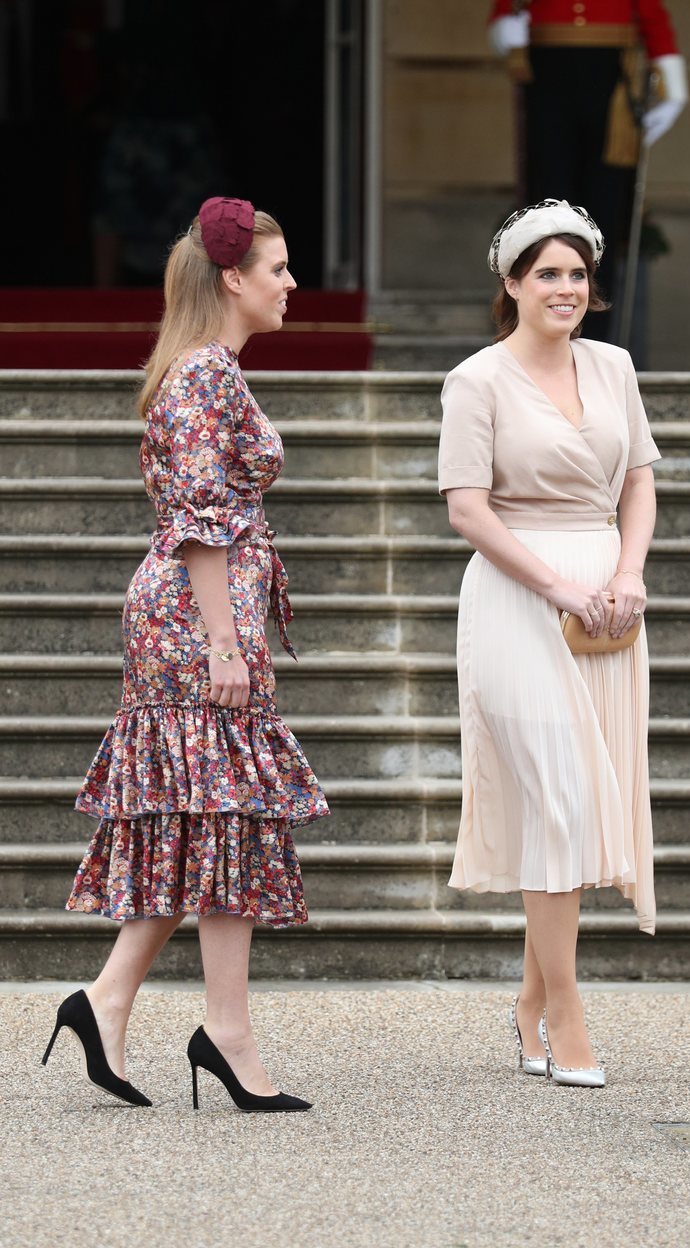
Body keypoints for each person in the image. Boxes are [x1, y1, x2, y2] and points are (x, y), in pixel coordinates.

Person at [45, 198, 330, 1113]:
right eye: (279, 269)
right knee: (227, 813)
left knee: (201, 814)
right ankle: (226, 1031)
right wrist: (223, 641)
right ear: (233, 278)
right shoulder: (204, 376)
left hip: (197, 612)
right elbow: (204, 522)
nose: (292, 285)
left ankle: (110, 999)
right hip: (194, 616)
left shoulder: (206, 372)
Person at [438, 199, 659, 1086]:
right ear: (512, 284)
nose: (565, 289)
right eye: (547, 275)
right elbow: (466, 508)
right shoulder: (476, 381)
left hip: (610, 603)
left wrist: (630, 573)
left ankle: (531, 1002)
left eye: (576, 274)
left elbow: (639, 483)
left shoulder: (614, 367)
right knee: (560, 800)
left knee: (576, 808)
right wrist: (560, 584)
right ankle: (567, 1016)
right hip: (517, 602)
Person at [488, 1, 687, 342]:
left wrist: (673, 85)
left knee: (604, 216)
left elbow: (650, 14)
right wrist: (506, 27)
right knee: (546, 211)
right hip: (549, 76)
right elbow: (506, 11)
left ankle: (596, 336)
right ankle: (541, 332)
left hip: (609, 81)